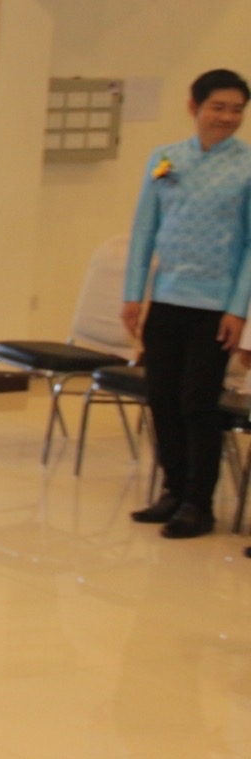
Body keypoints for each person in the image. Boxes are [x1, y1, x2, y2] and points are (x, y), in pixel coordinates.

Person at [123, 69, 251, 539]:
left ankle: (200, 502)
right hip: (167, 298)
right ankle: (173, 490)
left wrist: (239, 309)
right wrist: (133, 293)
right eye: (219, 107)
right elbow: (144, 230)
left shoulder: (247, 165)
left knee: (198, 403)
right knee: (162, 398)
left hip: (216, 306)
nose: (228, 117)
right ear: (194, 106)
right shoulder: (166, 158)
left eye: (237, 109)